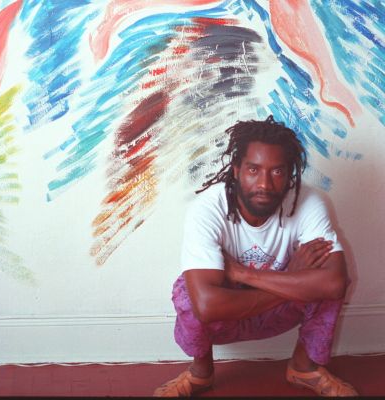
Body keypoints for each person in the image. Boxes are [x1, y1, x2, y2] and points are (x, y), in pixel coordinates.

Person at [153, 116, 358, 397]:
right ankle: (201, 374)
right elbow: (206, 306)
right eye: (253, 169)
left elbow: (334, 283)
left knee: (328, 284)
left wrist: (244, 273)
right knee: (188, 294)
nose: (264, 184)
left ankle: (304, 368)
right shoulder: (208, 208)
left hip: (274, 309)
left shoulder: (309, 202)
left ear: (290, 174)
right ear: (236, 170)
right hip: (229, 310)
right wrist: (293, 280)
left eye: (277, 171)